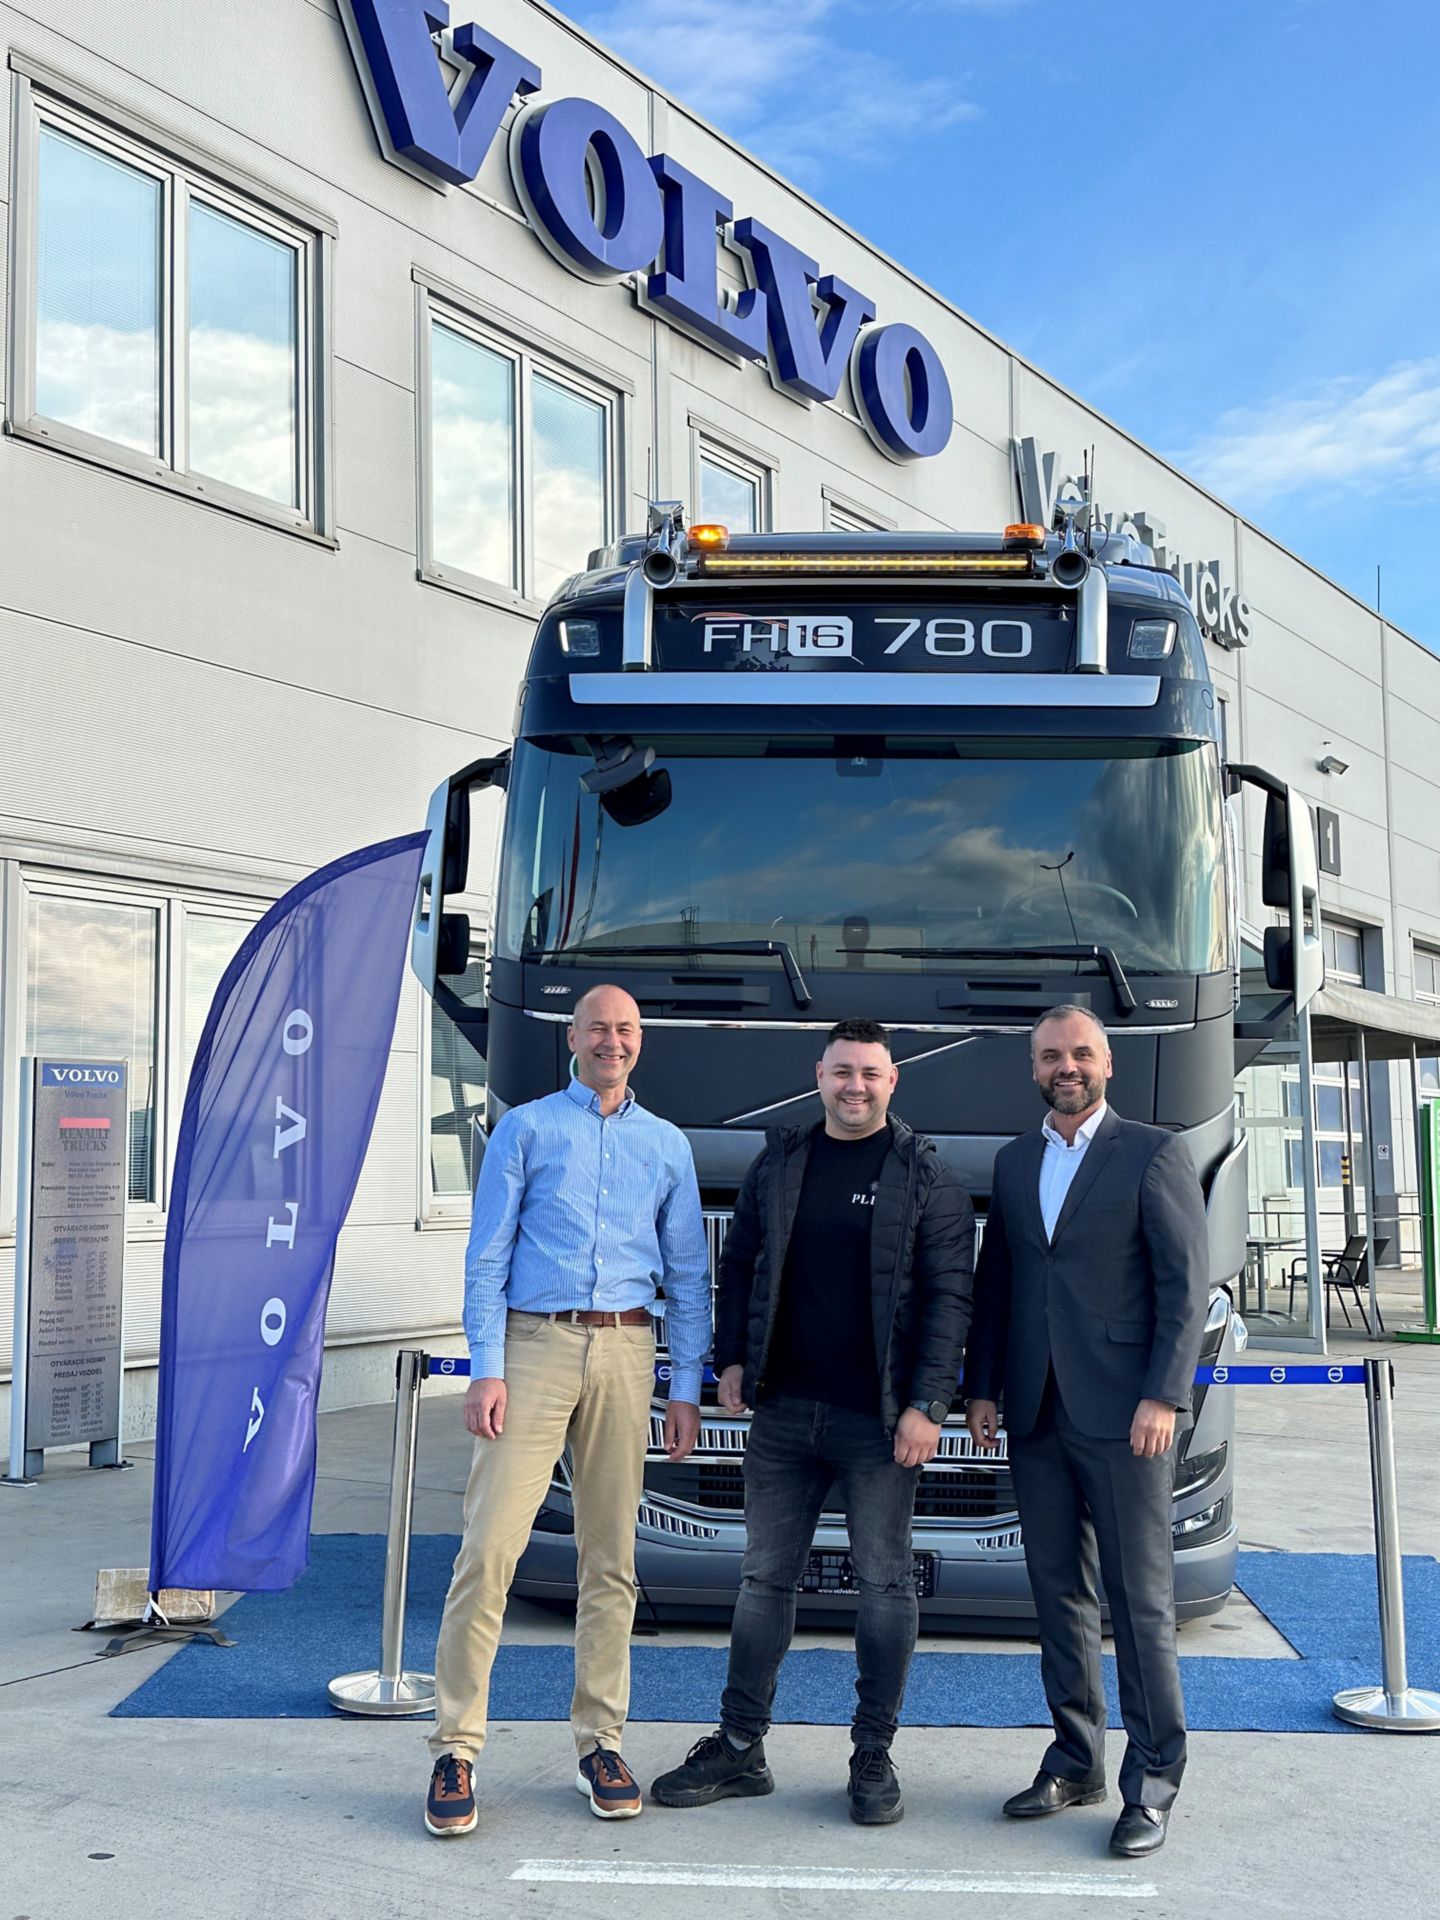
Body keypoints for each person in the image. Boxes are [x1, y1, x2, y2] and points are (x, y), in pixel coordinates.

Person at [650, 1018, 974, 1826]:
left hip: (880, 1423)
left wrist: (928, 1406)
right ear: (819, 1076)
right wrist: (730, 1358)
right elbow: (739, 1265)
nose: (854, 1086)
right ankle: (740, 1746)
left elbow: (949, 1302)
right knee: (763, 1580)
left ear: (891, 1081)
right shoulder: (782, 1161)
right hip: (784, 1413)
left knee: (885, 1583)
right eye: (841, 1072)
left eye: (869, 1073)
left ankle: (872, 1754)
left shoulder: (928, 1177)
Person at [424, 983, 711, 1836]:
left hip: (628, 1350)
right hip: (534, 1346)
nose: (612, 1041)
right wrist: (487, 1368)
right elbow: (487, 1256)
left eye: (626, 1029)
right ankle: (455, 1748)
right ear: (573, 1038)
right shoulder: (526, 1129)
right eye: (598, 1029)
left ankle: (601, 1742)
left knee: (611, 1560)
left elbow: (688, 1274)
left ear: (639, 1040)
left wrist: (684, 1388)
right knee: (489, 1551)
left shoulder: (667, 1145)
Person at [964, 1004, 1208, 1859]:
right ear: (1034, 1068)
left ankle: (1154, 1784)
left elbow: (1184, 1286)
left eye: (1079, 1054)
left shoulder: (1152, 1152)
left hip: (1127, 1417)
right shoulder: (1014, 1159)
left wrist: (1163, 1396)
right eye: (1049, 1057)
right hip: (1035, 1412)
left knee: (1141, 1604)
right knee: (1058, 1594)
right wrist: (983, 1388)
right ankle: (1075, 1761)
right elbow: (999, 1281)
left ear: (1107, 1064)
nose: (1065, 1068)